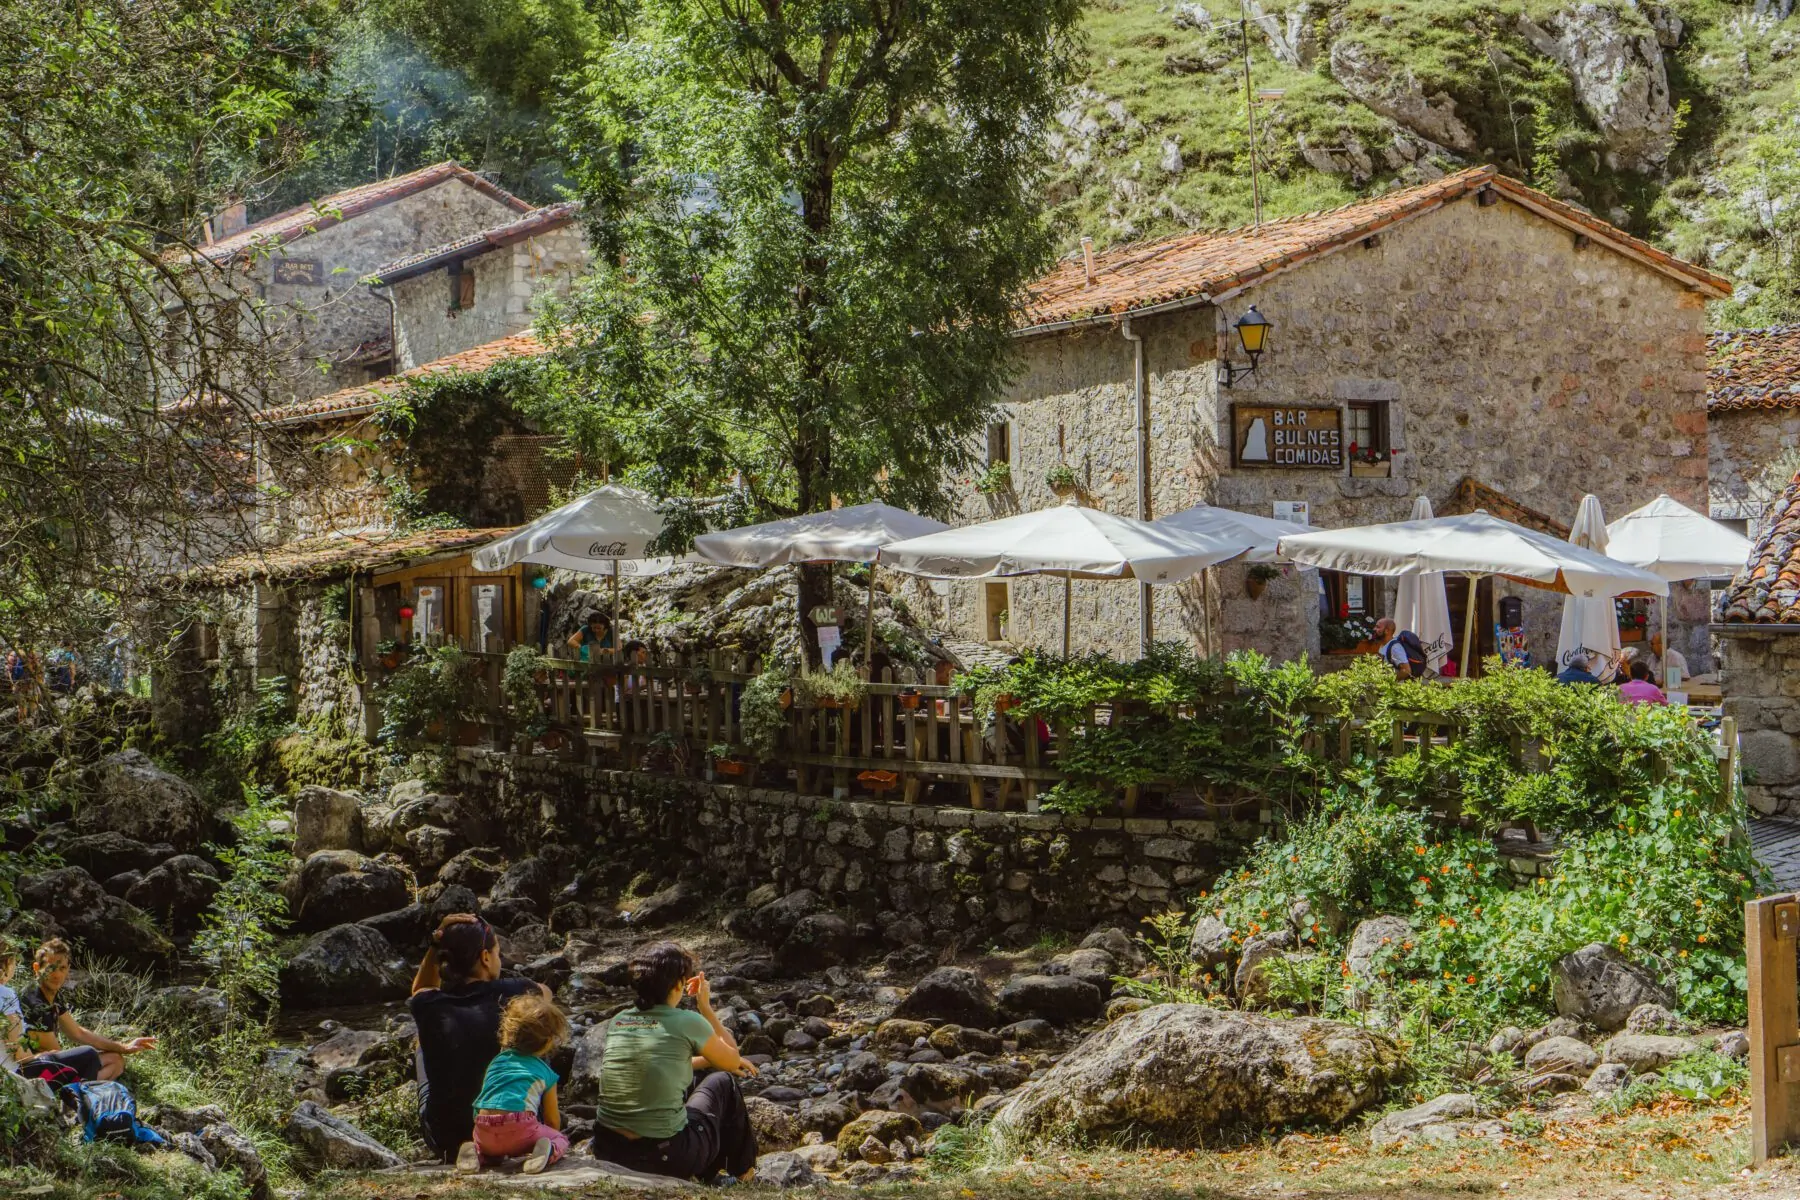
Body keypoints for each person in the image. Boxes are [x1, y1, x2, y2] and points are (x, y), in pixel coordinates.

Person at [591, 942, 760, 1183]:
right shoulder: (688, 1021)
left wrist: (710, 1060)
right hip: (665, 1156)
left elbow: (661, 1065)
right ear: (679, 983)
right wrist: (706, 1008)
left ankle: (711, 1175)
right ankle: (745, 1174)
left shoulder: (620, 1020)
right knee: (724, 1083)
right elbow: (731, 1057)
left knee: (698, 1080)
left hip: (610, 1150)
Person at [409, 915, 549, 1162]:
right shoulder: (518, 990)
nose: (499, 959)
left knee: (422, 1041)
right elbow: (546, 995)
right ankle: (544, 1116)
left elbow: (419, 989)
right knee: (533, 1025)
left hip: (449, 1139)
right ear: (485, 957)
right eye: (497, 953)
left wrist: (435, 944)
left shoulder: (428, 1004)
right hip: (517, 1133)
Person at [460, 992, 571, 1176]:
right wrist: (544, 1137)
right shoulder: (545, 1072)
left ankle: (477, 1151)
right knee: (561, 1139)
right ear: (548, 1041)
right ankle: (548, 1150)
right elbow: (552, 1119)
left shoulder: (496, 1062)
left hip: (484, 1129)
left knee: (493, 1151)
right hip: (520, 1130)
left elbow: (485, 1098)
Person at [18, 939, 156, 1080]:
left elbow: (78, 1033)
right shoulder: (34, 1002)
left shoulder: (50, 993)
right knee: (89, 1054)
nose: (57, 975)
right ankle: (76, 1090)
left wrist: (124, 1047)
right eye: (51, 968)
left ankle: (81, 1087)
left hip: (50, 1067)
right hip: (33, 1073)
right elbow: (55, 1056)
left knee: (116, 1060)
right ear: (36, 968)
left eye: (62, 968)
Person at [1, 941, 26, 1072]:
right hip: (13, 1077)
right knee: (87, 1055)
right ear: (8, 963)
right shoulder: (6, 995)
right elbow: (17, 1052)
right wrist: (42, 1056)